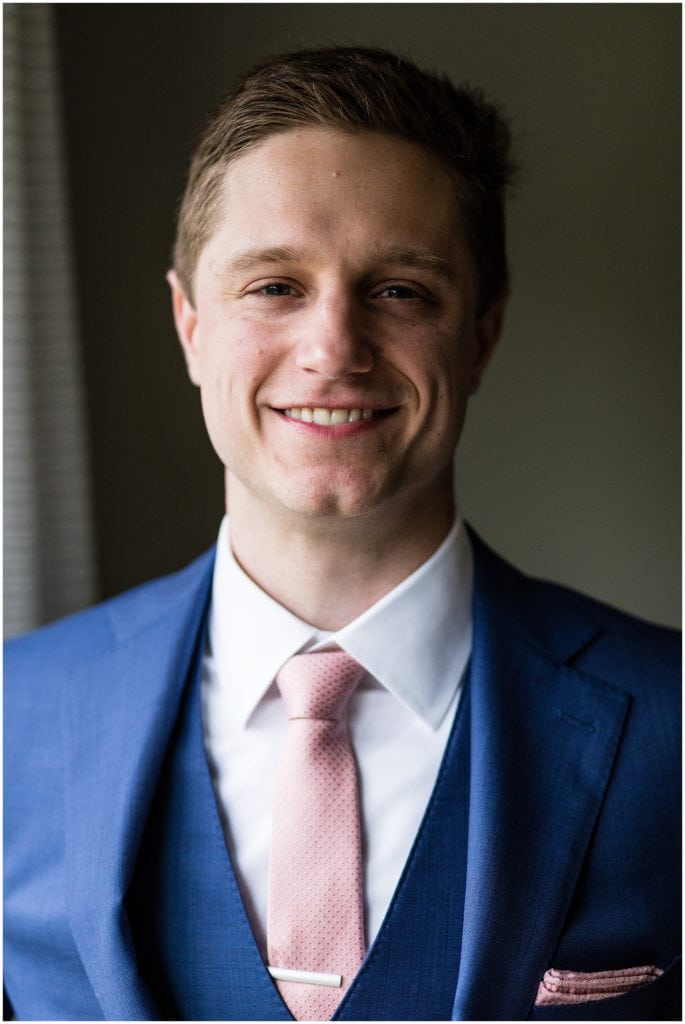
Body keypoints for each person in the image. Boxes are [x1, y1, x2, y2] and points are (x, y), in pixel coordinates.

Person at [4, 46, 680, 1022]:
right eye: (274, 285)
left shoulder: (675, 723)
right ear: (190, 324)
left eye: (399, 289)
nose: (332, 348)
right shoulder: (12, 715)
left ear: (480, 333)